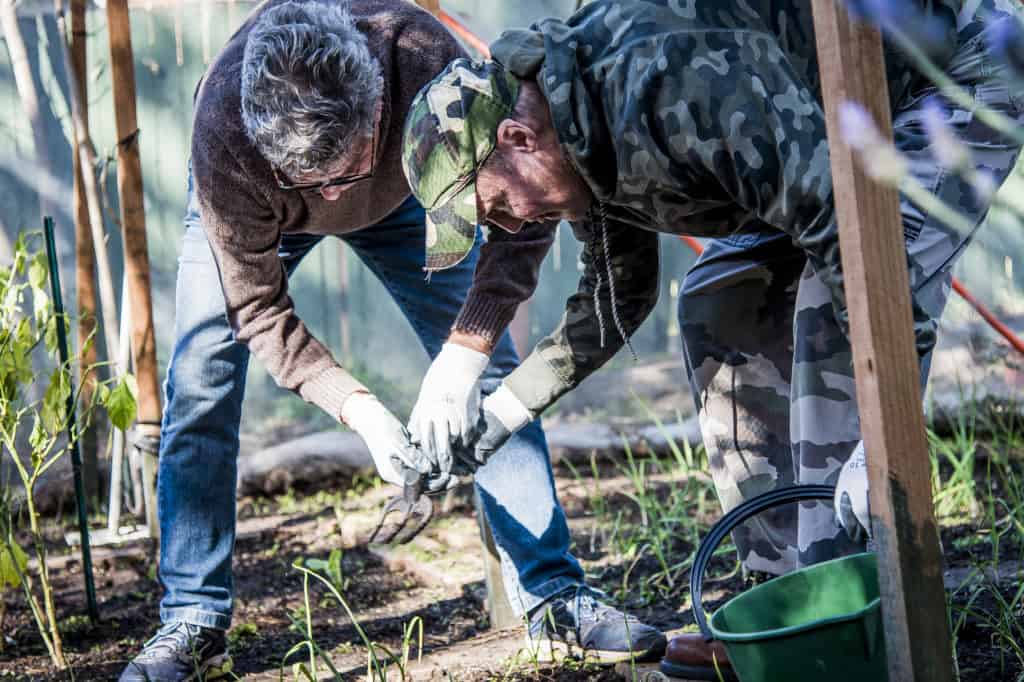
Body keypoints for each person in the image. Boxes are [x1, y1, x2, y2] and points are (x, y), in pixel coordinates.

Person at [400, 0, 1024, 678]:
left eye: (496, 206)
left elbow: (853, 251)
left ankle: (847, 628)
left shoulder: (667, 83)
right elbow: (618, 295)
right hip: (815, 138)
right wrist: (499, 416)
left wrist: (882, 433)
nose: (514, 228)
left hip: (946, 74)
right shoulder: (576, 133)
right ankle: (782, 611)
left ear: (518, 139)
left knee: (831, 313)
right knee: (716, 299)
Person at [119, 1, 665, 679]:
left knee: (489, 366)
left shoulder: (424, 62)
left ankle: (554, 592)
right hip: (258, 210)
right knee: (200, 379)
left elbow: (525, 206)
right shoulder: (226, 136)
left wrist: (464, 350)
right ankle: (193, 619)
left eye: (340, 173)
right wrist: (360, 410)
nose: (328, 196)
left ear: (380, 107)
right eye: (310, 181)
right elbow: (256, 309)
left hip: (411, 196)